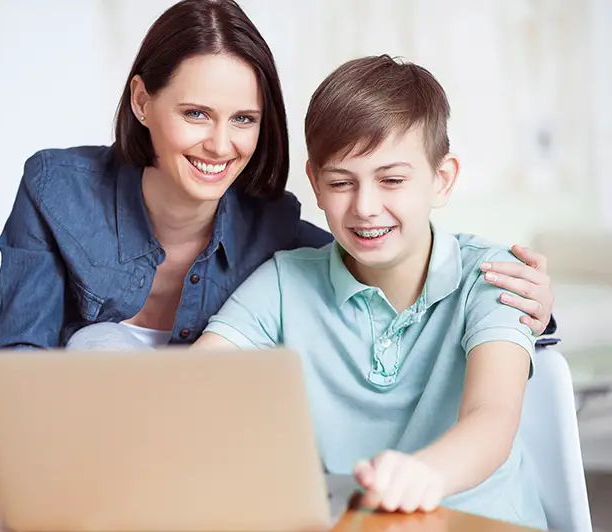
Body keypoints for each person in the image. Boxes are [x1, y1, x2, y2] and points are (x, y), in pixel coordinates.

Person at [0, 0, 555, 355]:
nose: (220, 144)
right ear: (141, 101)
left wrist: (526, 306)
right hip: (85, 451)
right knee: (95, 345)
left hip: (212, 455)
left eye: (244, 120)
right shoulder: (57, 190)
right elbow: (19, 361)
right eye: (195, 114)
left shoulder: (273, 227)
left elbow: (387, 264)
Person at [193, 55, 549, 529]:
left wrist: (425, 473)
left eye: (392, 180)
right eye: (341, 182)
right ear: (316, 185)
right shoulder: (283, 284)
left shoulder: (495, 276)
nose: (365, 207)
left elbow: (492, 417)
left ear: (441, 180)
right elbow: (191, 385)